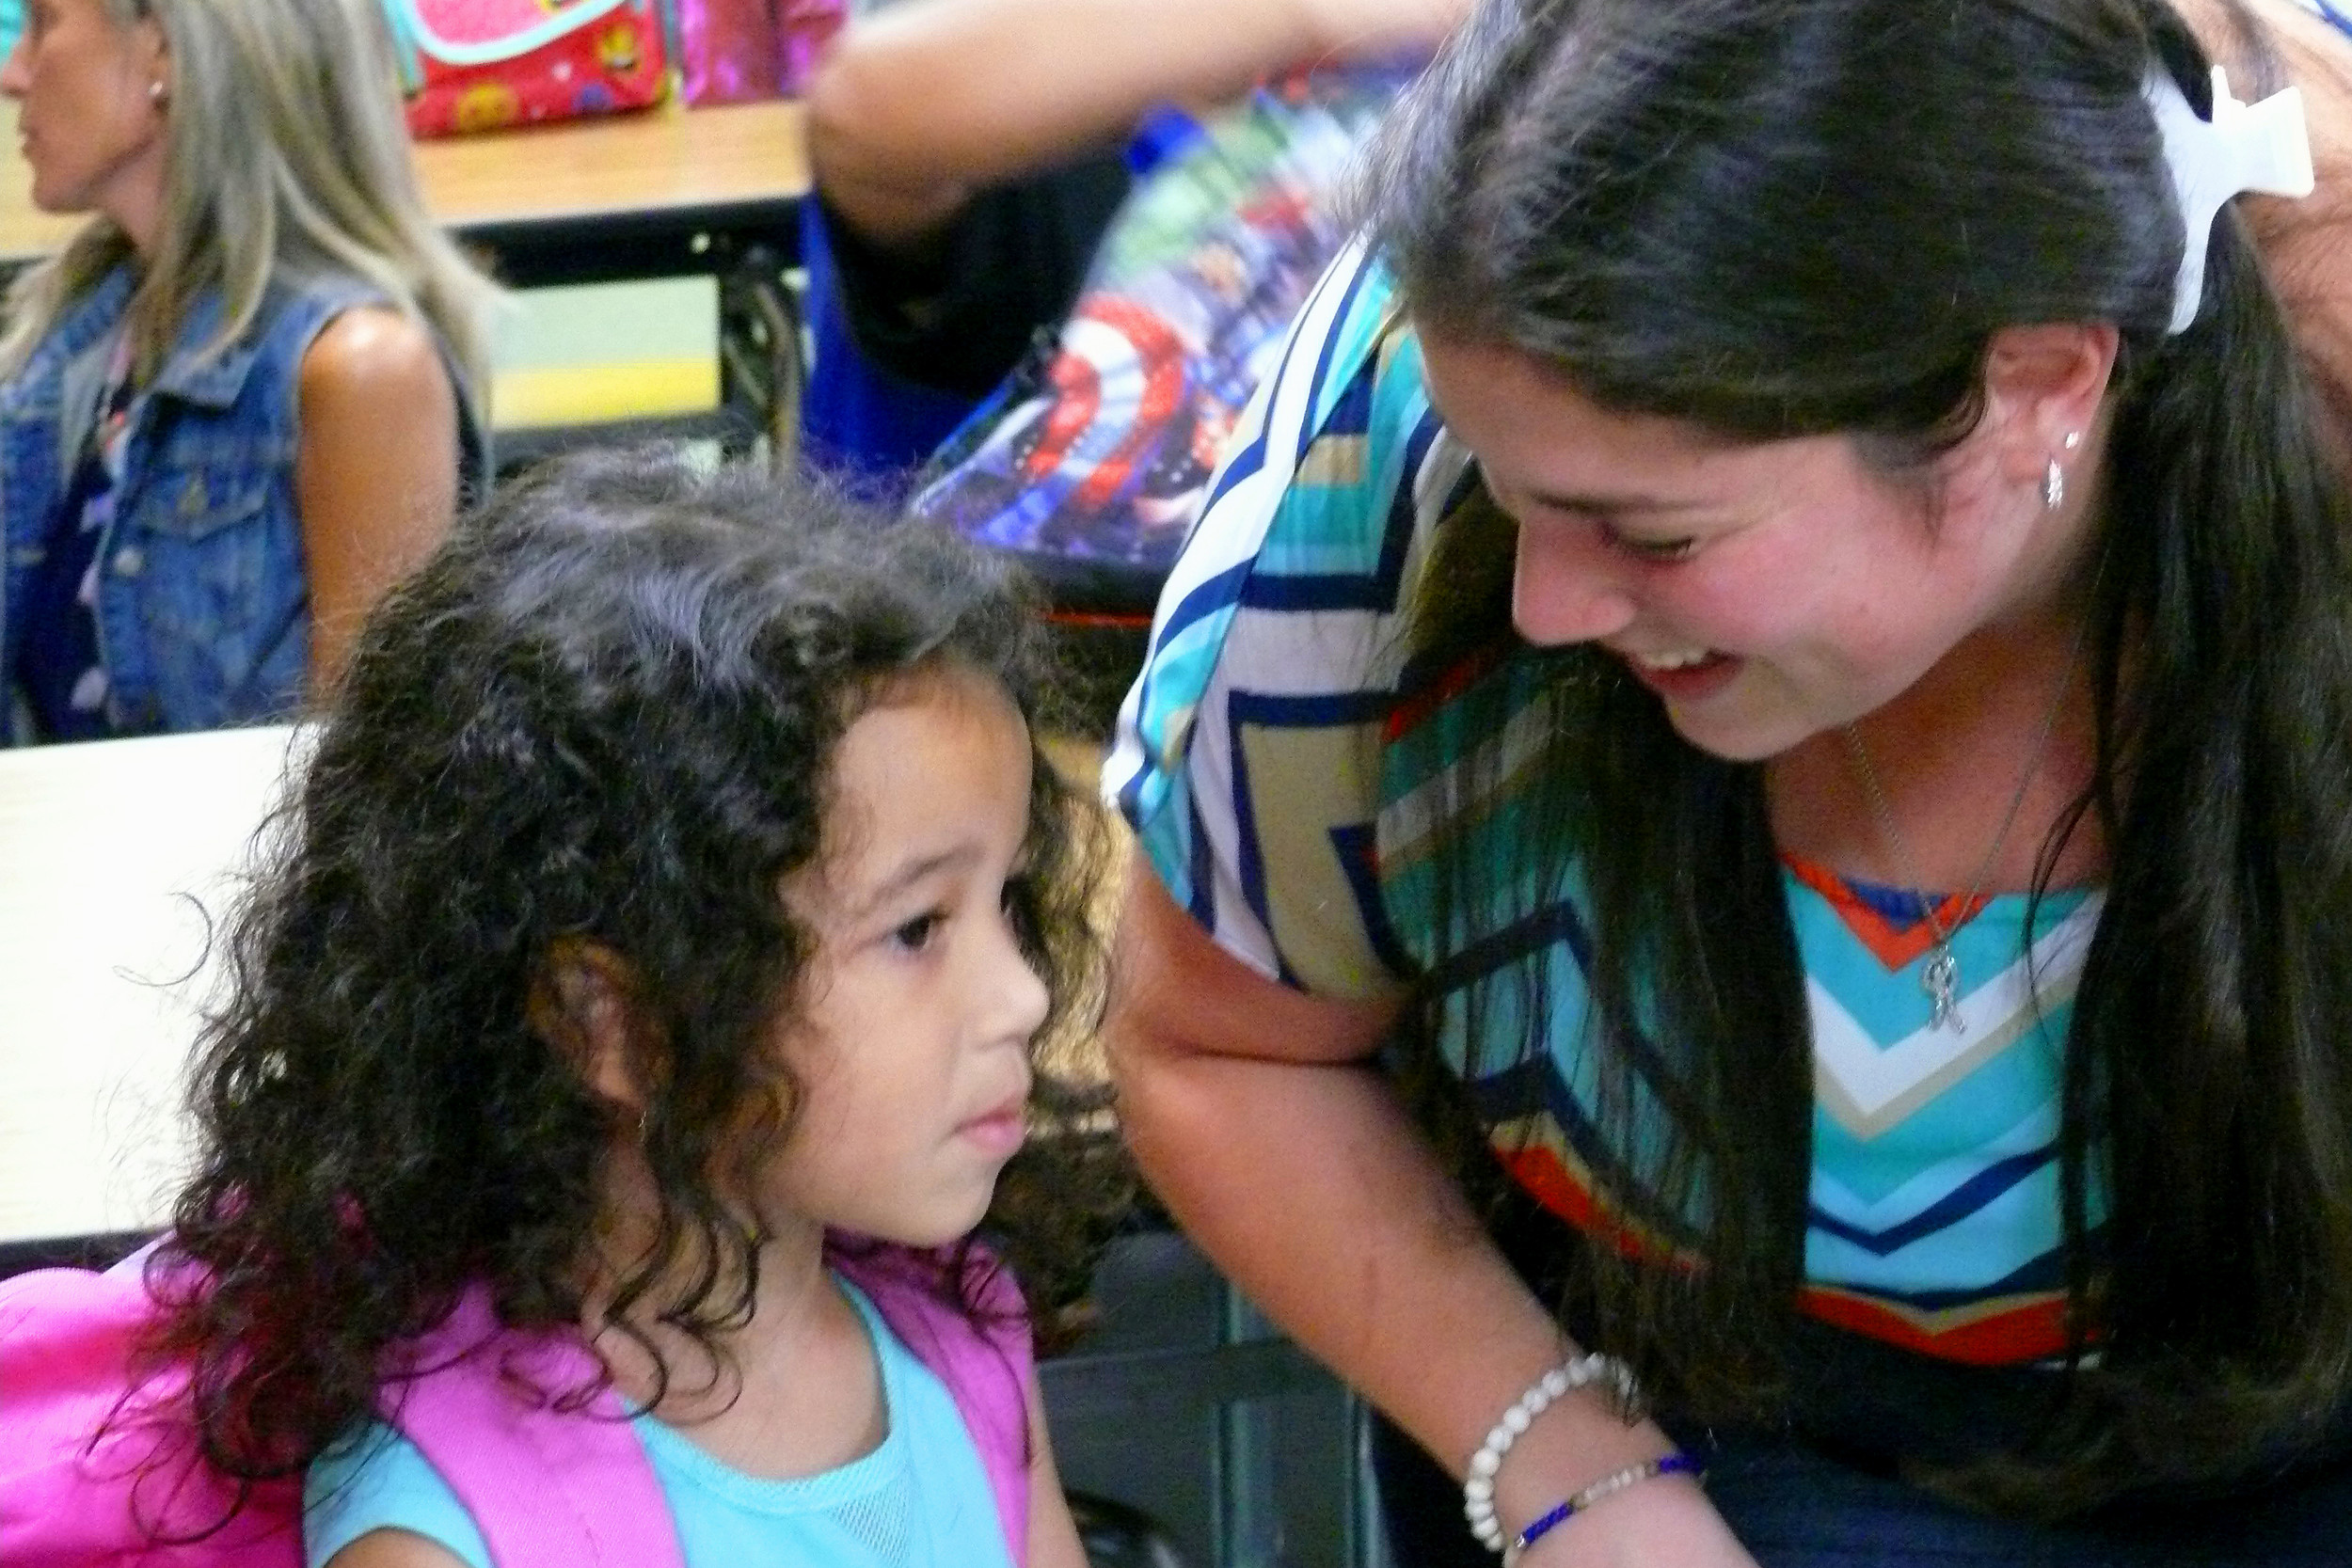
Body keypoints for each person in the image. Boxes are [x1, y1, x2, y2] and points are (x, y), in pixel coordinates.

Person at [1103, 0, 2352, 1561]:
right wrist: (1575, 1476)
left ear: (2033, 388)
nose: (1547, 604)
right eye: (1515, 493)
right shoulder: (1425, 398)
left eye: (1660, 533)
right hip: (1656, 1391)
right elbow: (1224, 1044)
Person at [115, 450, 1117, 1566]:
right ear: (614, 1023)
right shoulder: (451, 1535)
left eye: (1008, 899)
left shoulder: (962, 1337)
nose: (1024, 993)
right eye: (919, 927)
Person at [0, 0, 496, 744]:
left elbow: (368, 792)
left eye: (43, 23)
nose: (13, 74)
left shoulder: (359, 374)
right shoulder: (83, 329)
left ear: (164, 51)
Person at [800, 0, 1465, 468]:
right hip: (1017, 626)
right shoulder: (1017, 80)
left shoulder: (1419, 95)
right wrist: (1310, 15)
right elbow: (862, 111)